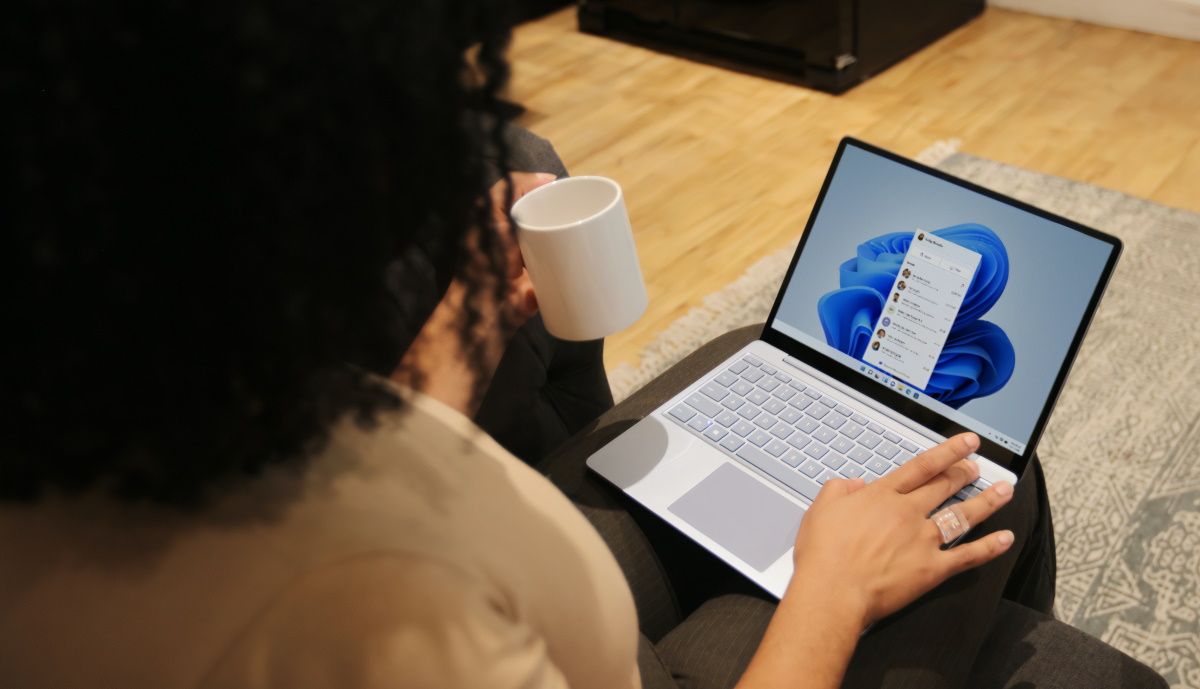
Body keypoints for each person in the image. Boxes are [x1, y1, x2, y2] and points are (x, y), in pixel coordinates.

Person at [3, 2, 1165, 689]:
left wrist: (448, 352)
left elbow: (357, 450)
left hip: (512, 549)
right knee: (982, 479)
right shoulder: (359, 602)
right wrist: (830, 586)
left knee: (754, 368)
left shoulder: (114, 401)